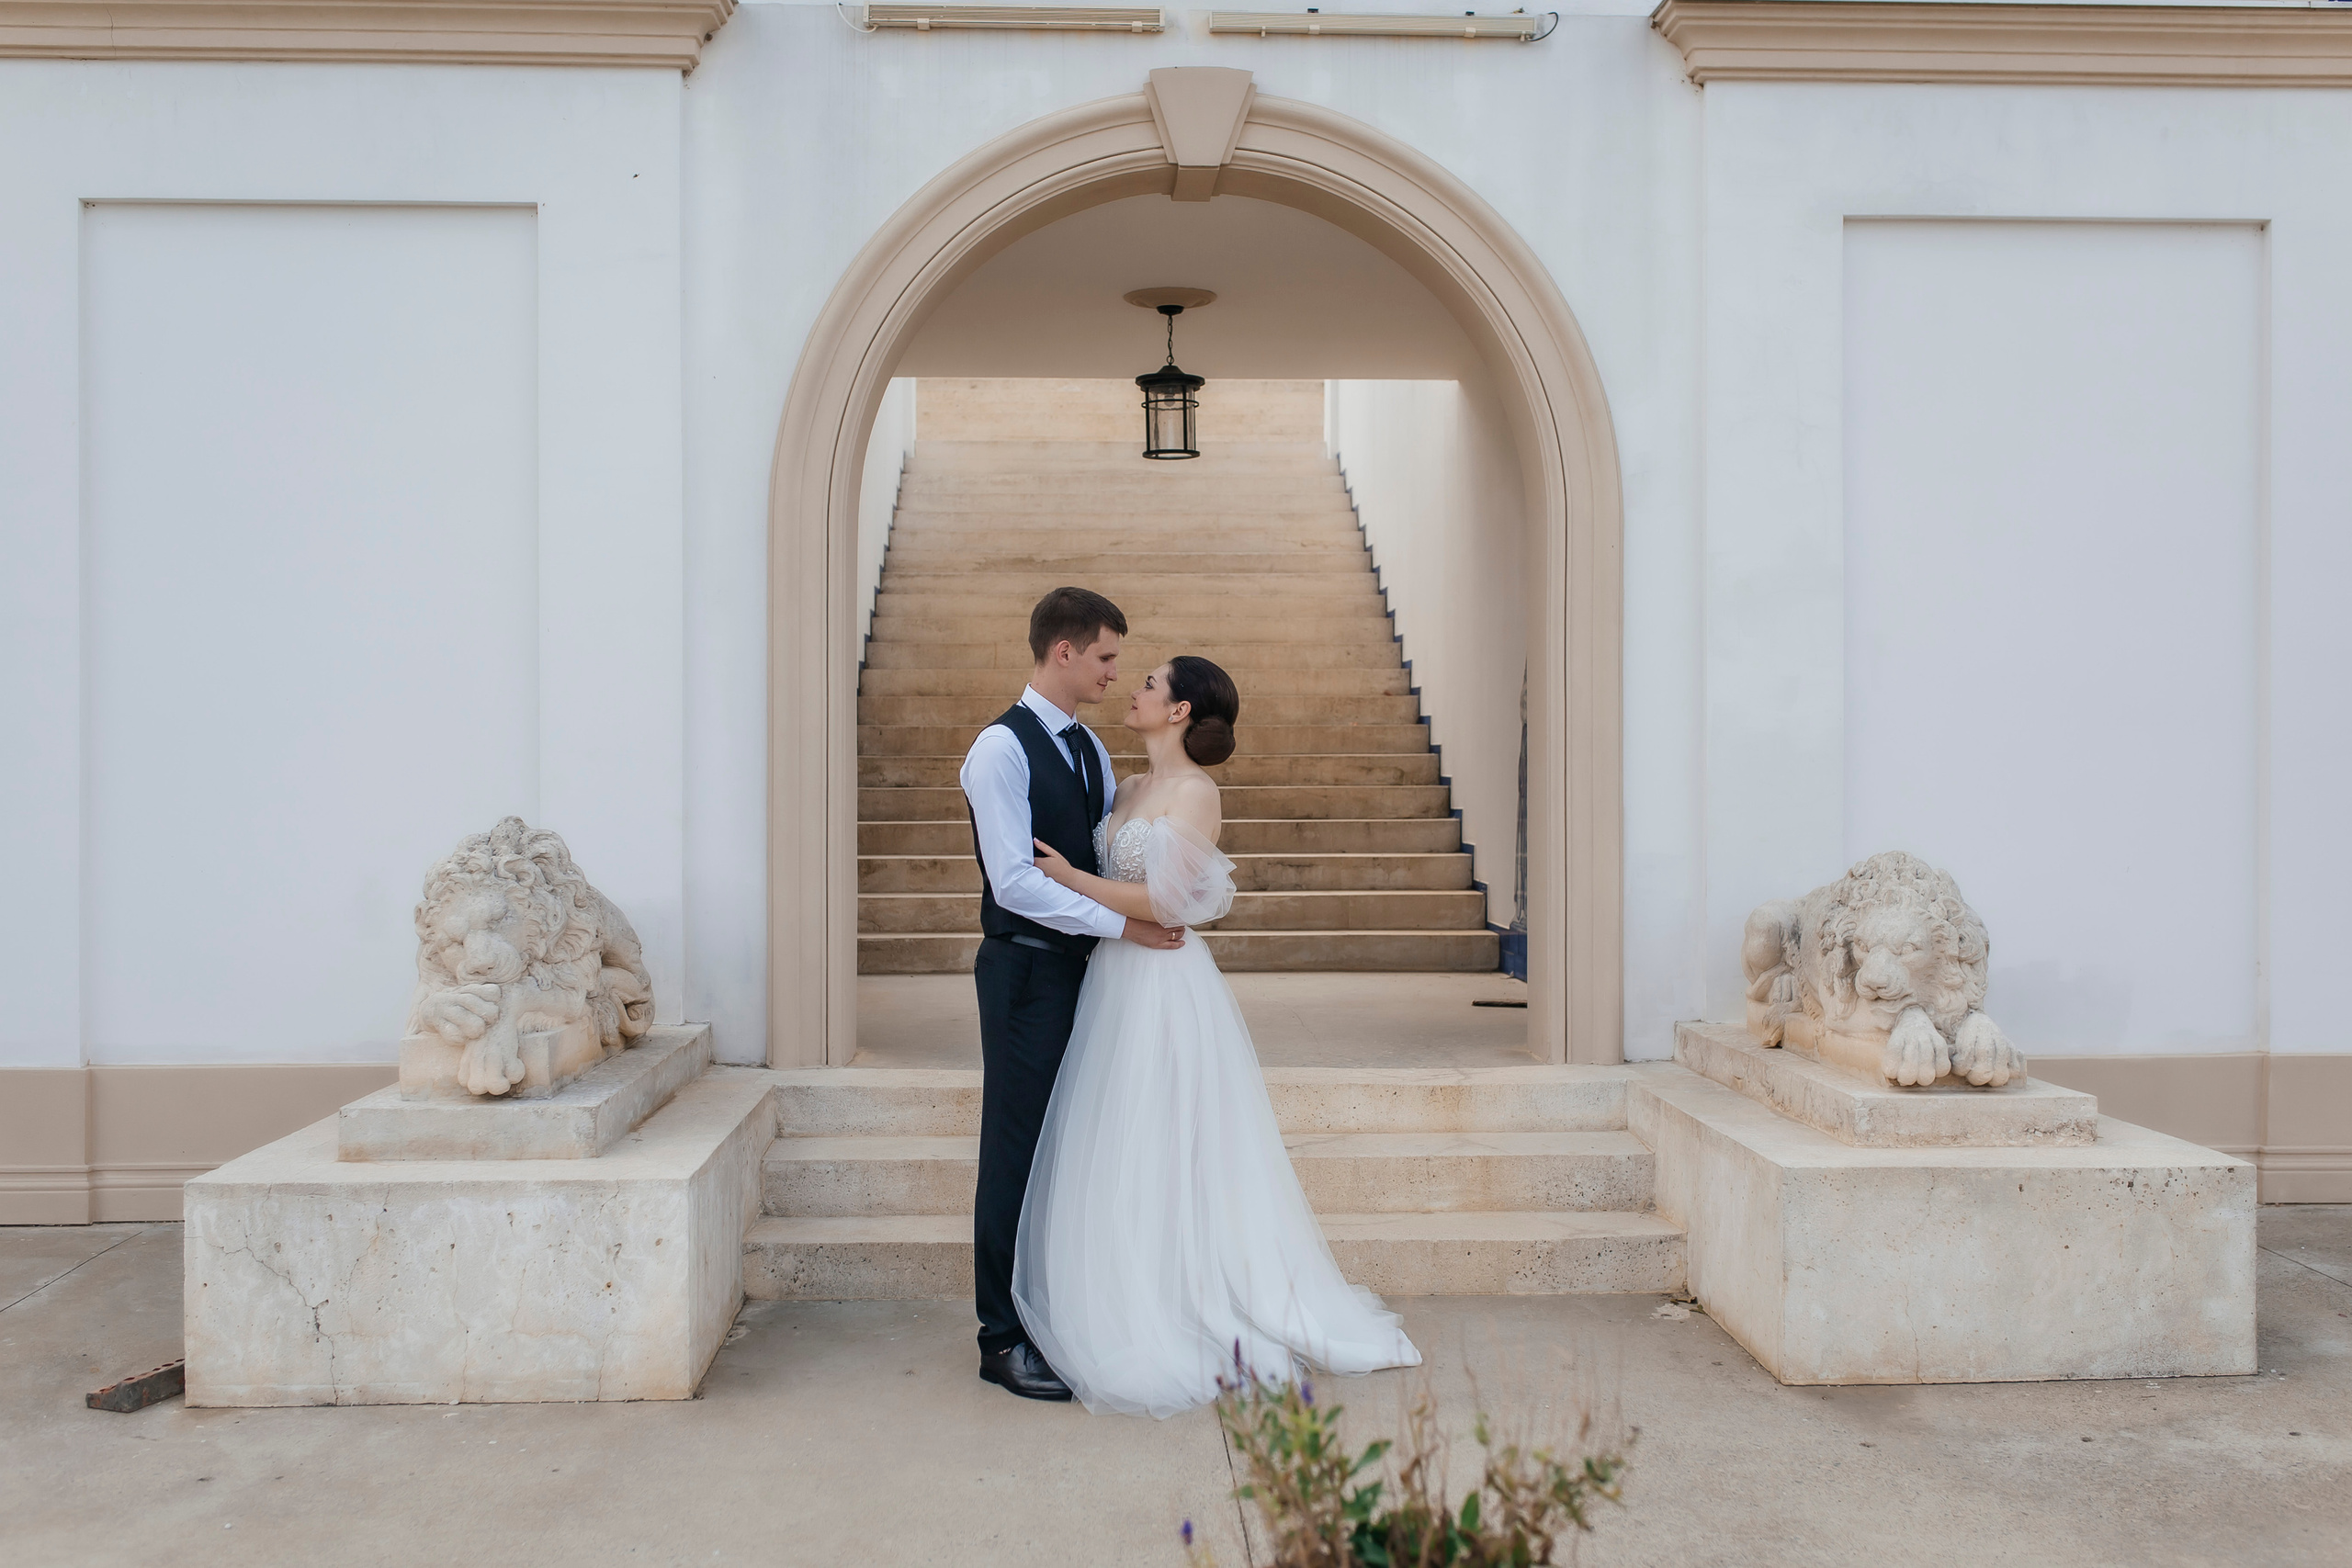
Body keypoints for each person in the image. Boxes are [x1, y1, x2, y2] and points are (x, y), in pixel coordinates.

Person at [1012, 654, 1422, 1417]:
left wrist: (1071, 879)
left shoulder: (1198, 793)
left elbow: (1168, 902)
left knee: (1177, 1135)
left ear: (1179, 711)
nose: (1133, 690)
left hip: (1165, 981)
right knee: (1123, 1133)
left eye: (1149, 684)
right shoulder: (1126, 786)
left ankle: (1197, 1295)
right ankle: (1130, 1283)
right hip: (1115, 973)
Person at [958, 587, 1188, 1403]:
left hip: (1085, 974)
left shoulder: (1090, 749)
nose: (1113, 672)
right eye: (1104, 657)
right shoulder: (1000, 749)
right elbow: (1016, 882)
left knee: (1070, 1147)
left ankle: (1053, 1308)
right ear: (1064, 652)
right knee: (1014, 1149)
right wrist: (1122, 928)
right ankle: (999, 1338)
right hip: (1024, 971)